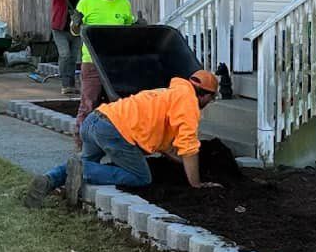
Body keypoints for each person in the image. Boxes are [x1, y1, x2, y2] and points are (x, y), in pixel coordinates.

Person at [25, 70, 223, 208]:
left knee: (83, 163)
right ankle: (83, 169)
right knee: (141, 177)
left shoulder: (170, 95)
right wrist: (196, 184)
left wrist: (188, 166)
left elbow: (169, 148)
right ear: (204, 95)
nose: (209, 103)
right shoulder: (188, 102)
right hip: (113, 131)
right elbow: (188, 146)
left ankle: (49, 179)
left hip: (95, 120)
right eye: (211, 99)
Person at [71, 0, 135, 140]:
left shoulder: (124, 4)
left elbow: (128, 30)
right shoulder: (86, 3)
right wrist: (76, 23)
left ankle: (113, 142)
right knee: (88, 104)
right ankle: (81, 145)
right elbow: (75, 31)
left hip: (116, 64)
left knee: (117, 106)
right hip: (92, 62)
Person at [43, 0, 86, 95]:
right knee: (65, 55)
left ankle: (70, 85)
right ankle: (64, 82)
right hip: (59, 29)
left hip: (75, 30)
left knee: (73, 58)